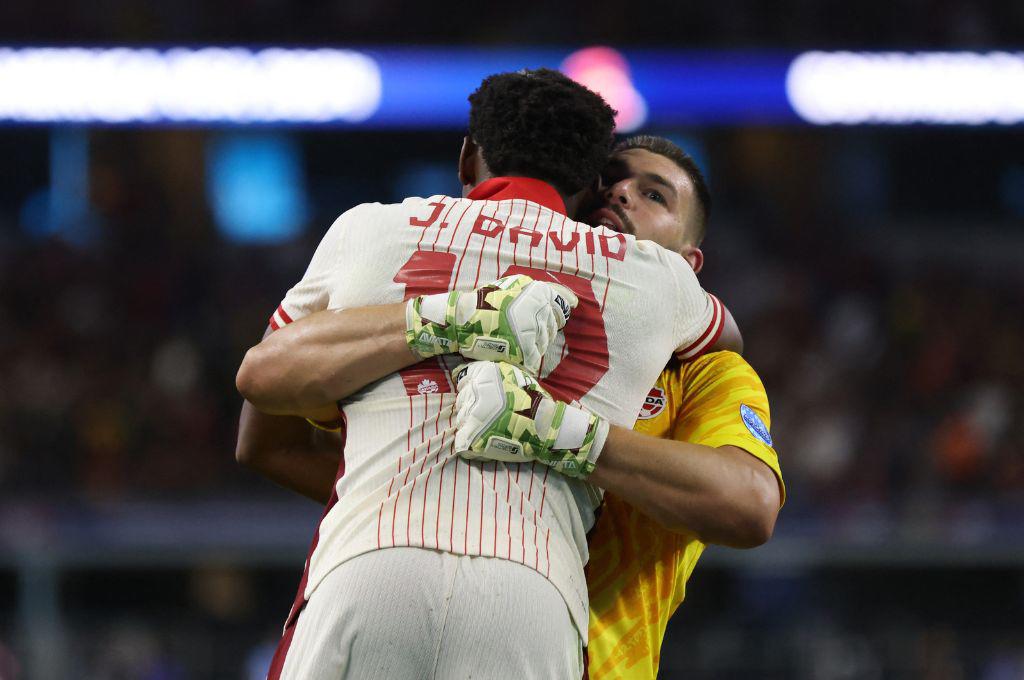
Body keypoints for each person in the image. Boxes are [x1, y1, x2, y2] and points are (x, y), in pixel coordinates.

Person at [236, 71, 724, 679]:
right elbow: (724, 335)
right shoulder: (658, 276)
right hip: (536, 593)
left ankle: (454, 319)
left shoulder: (369, 228)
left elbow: (258, 406)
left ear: (468, 154)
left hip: (368, 561)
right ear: (586, 185)